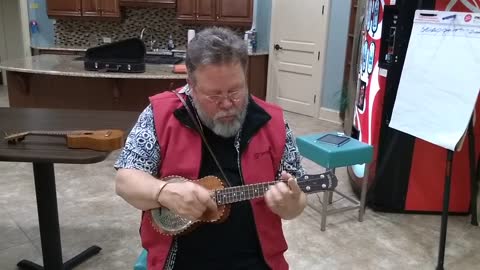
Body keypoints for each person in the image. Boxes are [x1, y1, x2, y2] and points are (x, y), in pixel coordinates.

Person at [114, 27, 307, 270]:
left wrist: (292, 205)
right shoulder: (160, 114)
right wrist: (162, 192)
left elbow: (297, 195)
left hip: (257, 260)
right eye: (214, 95)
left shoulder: (274, 123)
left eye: (235, 91)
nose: (227, 104)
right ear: (191, 86)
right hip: (178, 261)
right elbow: (125, 180)